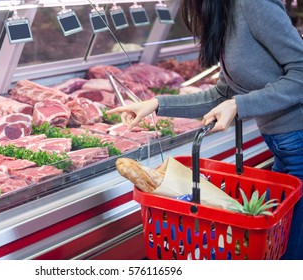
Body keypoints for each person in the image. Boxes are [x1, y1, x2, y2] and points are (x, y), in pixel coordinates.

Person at [108, 0, 303, 260]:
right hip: (285, 147)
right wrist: (156, 104)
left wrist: (240, 104)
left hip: (299, 139)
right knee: (276, 248)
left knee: (288, 255)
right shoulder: (225, 10)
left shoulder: (253, 3)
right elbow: (222, 93)